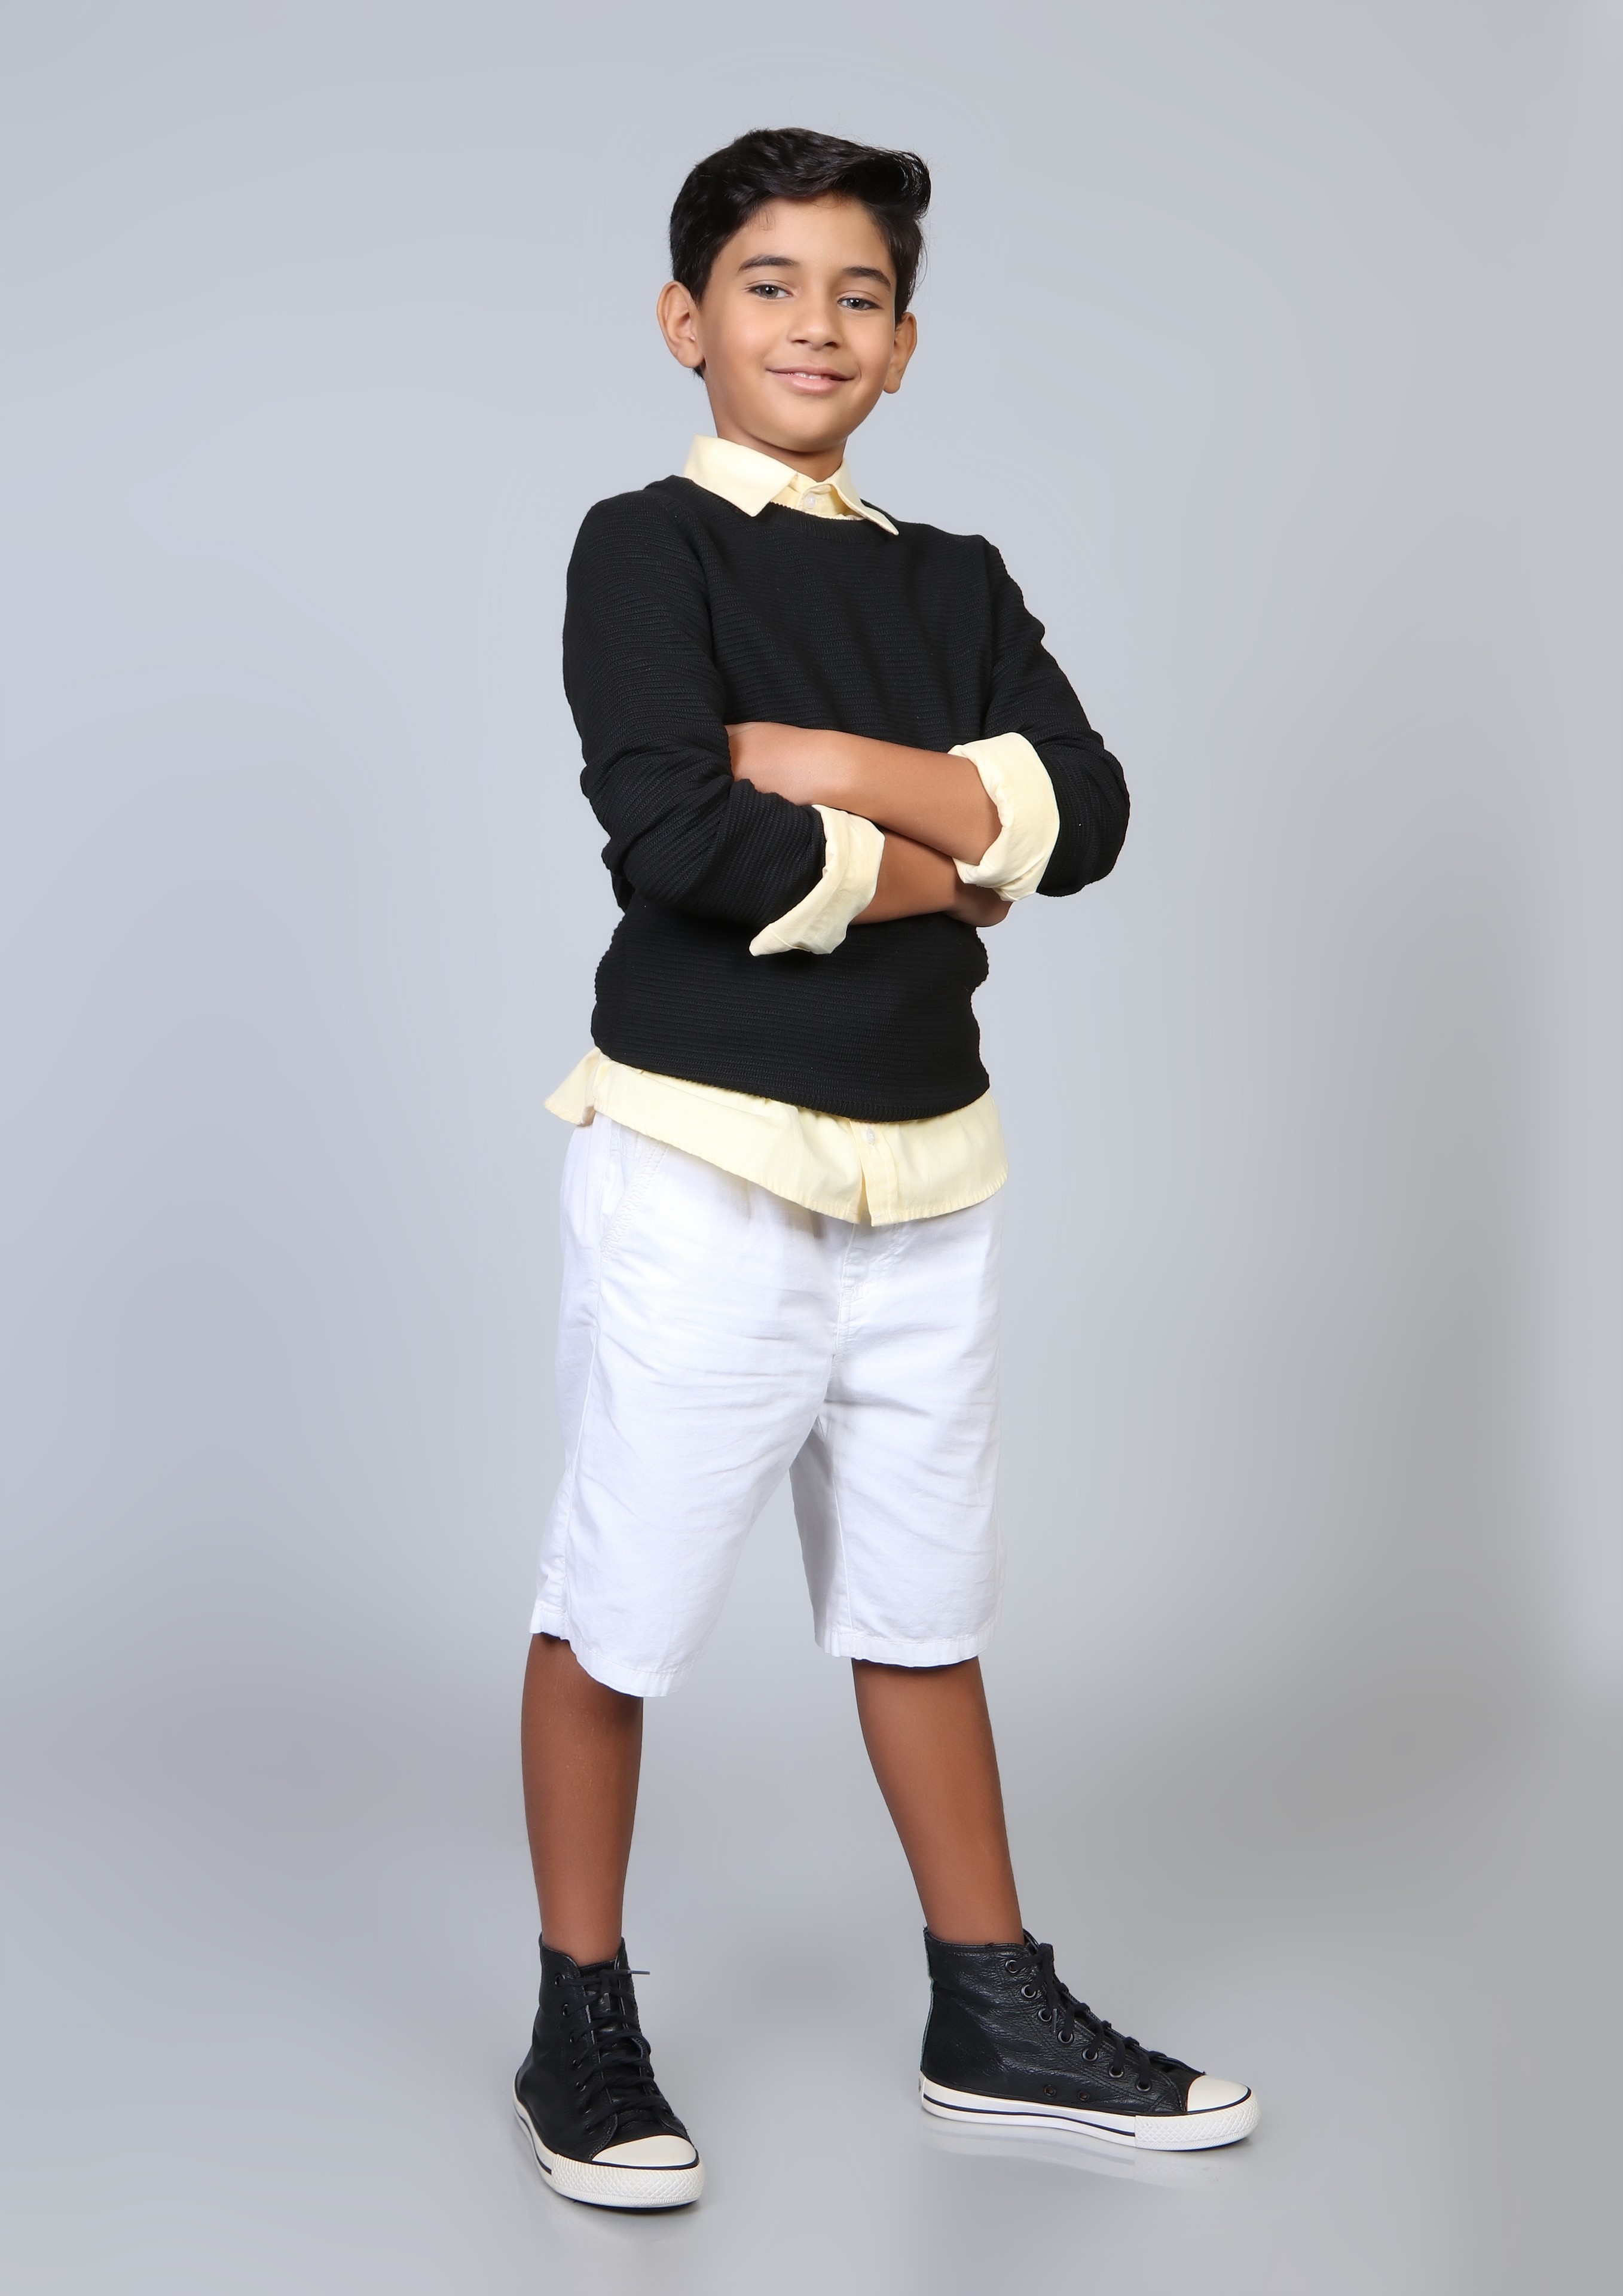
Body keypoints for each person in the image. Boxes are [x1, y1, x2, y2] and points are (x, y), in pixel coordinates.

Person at [512, 127, 1258, 2210]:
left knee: (923, 1608)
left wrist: (831, 769)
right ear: (687, 321)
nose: (815, 324)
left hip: (928, 1172)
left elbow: (1086, 815)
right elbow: (680, 836)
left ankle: (987, 2008)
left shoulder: (957, 578)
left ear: (905, 344)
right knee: (620, 1605)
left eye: (858, 294)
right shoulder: (646, 548)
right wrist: (953, 853)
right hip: (703, 1157)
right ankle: (579, 2020)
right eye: (769, 285)